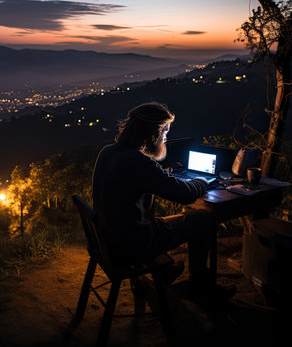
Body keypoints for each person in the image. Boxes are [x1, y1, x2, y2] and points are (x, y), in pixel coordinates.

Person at [92, 101, 235, 302]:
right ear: (153, 133)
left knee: (165, 220)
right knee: (202, 218)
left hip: (108, 240)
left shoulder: (108, 151)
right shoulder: (140, 163)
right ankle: (201, 284)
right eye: (165, 132)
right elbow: (185, 194)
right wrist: (202, 181)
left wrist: (161, 176)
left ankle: (165, 272)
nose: (166, 138)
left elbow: (136, 180)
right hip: (132, 245)